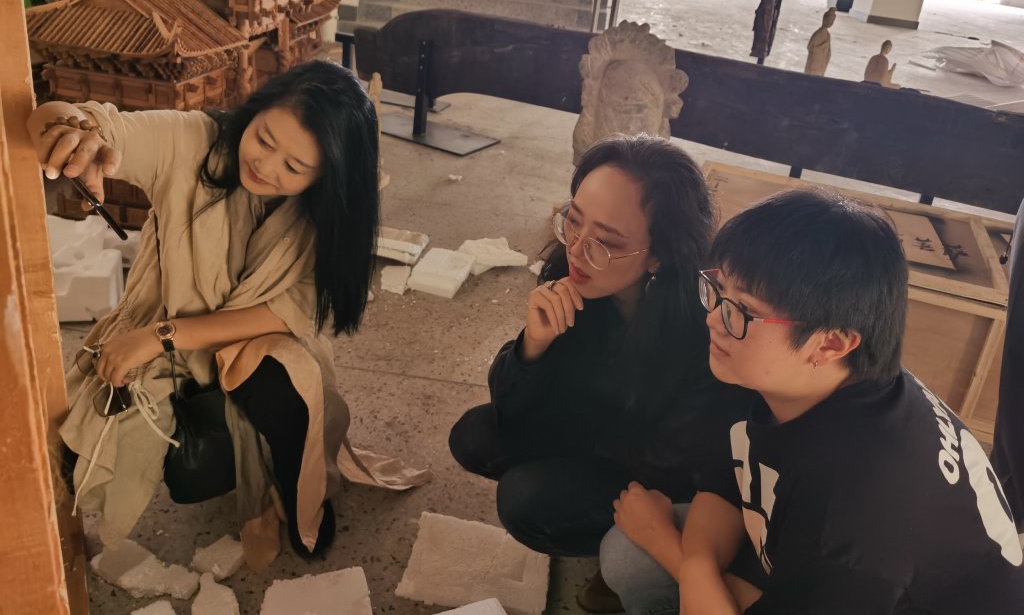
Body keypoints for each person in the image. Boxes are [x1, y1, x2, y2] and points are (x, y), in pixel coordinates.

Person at [30, 60, 428, 570]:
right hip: (165, 341)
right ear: (255, 111)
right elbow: (96, 124)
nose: (266, 166)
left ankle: (301, 496)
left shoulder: (332, 213)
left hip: (249, 338)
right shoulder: (195, 141)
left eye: (294, 167)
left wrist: (160, 335)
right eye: (263, 139)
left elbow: (285, 312)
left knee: (287, 391)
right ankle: (48, 536)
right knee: (95, 433)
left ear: (325, 176)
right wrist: (69, 132)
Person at [600, 190, 1024, 614]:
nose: (714, 318)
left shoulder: (856, 513)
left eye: (742, 308)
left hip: (866, 584)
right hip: (832, 565)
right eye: (719, 288)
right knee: (631, 555)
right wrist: (696, 563)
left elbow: (841, 547)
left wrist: (665, 544)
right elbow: (731, 477)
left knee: (639, 556)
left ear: (831, 343)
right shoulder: (803, 377)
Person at [448, 134, 749, 608]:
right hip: (602, 433)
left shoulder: (700, 328)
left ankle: (625, 558)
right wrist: (533, 347)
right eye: (573, 220)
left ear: (659, 255)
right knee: (476, 435)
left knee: (526, 498)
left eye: (606, 242)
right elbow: (515, 403)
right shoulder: (575, 280)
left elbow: (676, 463)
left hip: (663, 480)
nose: (577, 249)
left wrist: (571, 421)